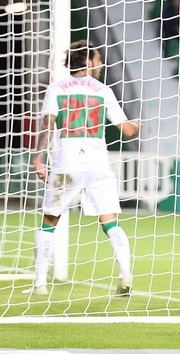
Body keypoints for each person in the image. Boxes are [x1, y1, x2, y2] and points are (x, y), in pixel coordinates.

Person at [26, 40, 139, 296]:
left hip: (67, 163)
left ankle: (40, 282)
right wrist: (138, 125)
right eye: (97, 60)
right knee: (110, 220)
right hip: (98, 164)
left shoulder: (57, 89)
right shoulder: (103, 90)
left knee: (50, 220)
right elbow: (128, 130)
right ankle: (125, 274)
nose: (99, 65)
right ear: (87, 62)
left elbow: (47, 124)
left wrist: (38, 158)